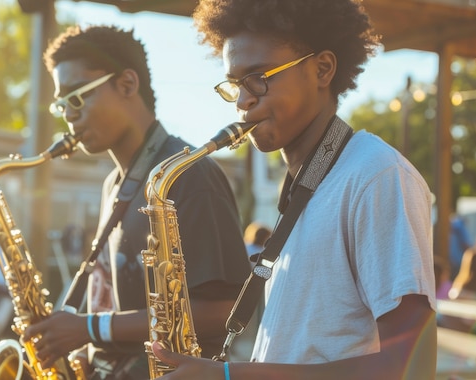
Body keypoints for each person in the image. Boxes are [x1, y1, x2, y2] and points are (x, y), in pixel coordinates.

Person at [151, 1, 437, 379]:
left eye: (258, 78)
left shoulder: (376, 176)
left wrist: (229, 376)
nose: (242, 101)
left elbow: (413, 367)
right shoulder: (306, 185)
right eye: (235, 84)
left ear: (322, 69)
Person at [23, 25, 251, 379]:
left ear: (127, 84)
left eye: (76, 96)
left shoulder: (190, 174)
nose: (68, 114)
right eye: (61, 103)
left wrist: (91, 329)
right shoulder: (113, 183)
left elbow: (226, 309)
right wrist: (87, 349)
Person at [449, 211, 474, 280]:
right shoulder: (460, 225)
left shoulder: (452, 224)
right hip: (459, 260)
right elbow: (466, 244)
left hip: (450, 259)